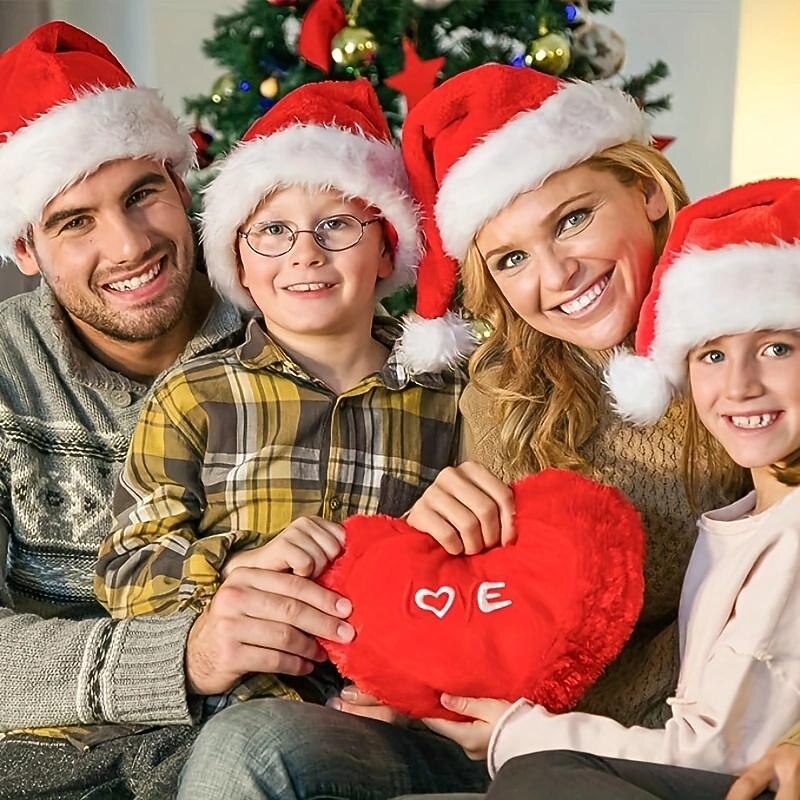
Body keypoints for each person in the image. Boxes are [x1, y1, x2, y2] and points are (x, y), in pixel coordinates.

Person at [94, 79, 489, 800]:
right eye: (272, 231)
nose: (304, 253)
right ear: (240, 263)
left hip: (398, 724)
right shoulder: (194, 396)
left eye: (337, 224)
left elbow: (489, 575)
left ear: (386, 251)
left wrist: (423, 677)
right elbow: (127, 569)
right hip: (240, 714)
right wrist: (236, 567)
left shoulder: (452, 396)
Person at [422, 178, 800, 800]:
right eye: (511, 258)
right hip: (559, 742)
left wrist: (517, 736)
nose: (557, 273)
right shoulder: (500, 394)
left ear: (647, 192)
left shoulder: (773, 519)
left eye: (572, 219)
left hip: (623, 755)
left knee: (537, 779)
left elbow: (716, 751)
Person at [0, 20, 247, 800]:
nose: (130, 245)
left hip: (254, 738)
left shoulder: (289, 331)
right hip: (42, 759)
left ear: (181, 187)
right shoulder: (6, 373)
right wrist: (183, 656)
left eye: (143, 194)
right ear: (27, 250)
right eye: (76, 221)